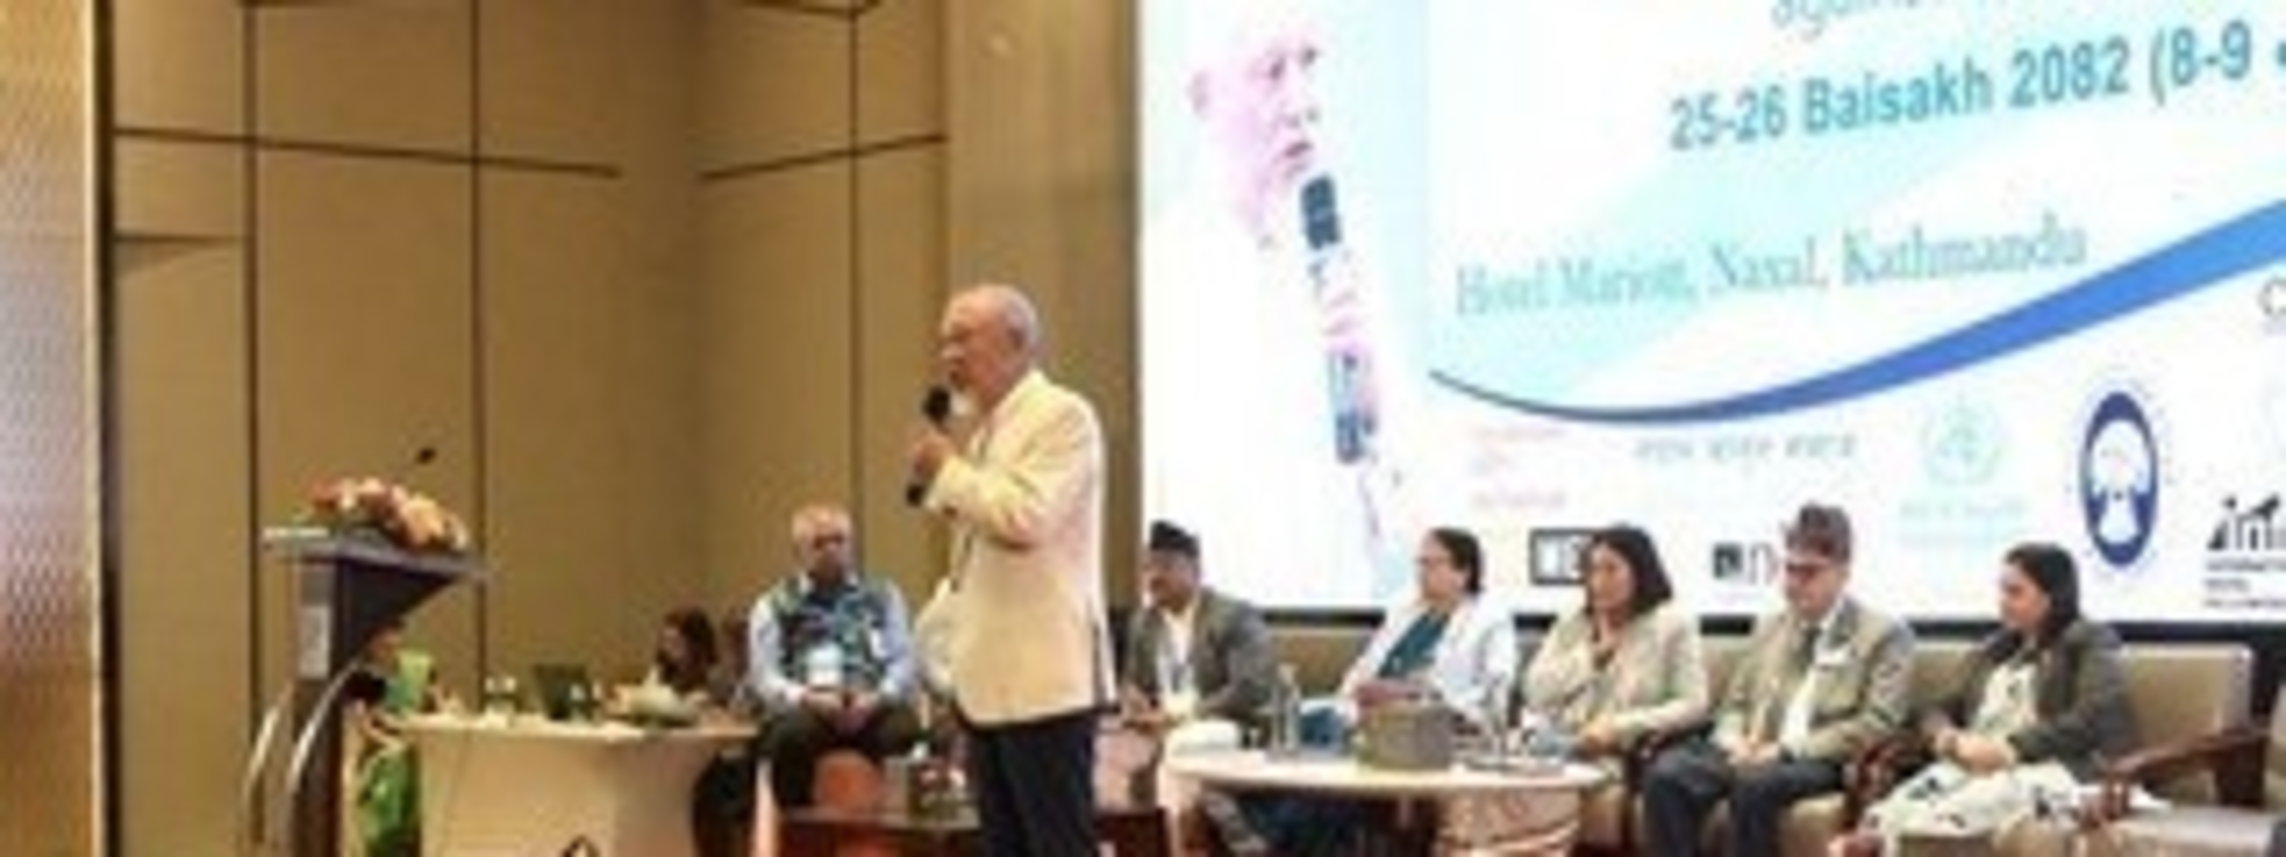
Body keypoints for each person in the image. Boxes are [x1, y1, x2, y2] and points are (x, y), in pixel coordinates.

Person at [1142, 0, 1449, 607]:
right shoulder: (1163, 275)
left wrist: (1374, 411)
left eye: (1309, 64)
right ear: (1203, 97)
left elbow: (1420, 529)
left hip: (1338, 627)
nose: (1303, 102)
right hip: (1211, 637)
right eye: (1271, 72)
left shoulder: (1342, 258)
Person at [908, 283, 1111, 856]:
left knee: (1058, 845)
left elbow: (1027, 517)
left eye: (963, 339)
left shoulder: (1062, 415)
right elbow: (984, 526)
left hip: (1042, 681)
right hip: (987, 683)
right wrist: (948, 477)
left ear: (1018, 342)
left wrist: (948, 471)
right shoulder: (988, 429)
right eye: (944, 342)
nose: (949, 356)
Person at [1641, 502, 1916, 857]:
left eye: (1809, 572)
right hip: (1752, 749)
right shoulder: (1770, 626)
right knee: (1666, 776)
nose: (1793, 584)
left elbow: (1878, 723)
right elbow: (1735, 704)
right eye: (1789, 570)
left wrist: (1784, 751)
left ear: (1842, 573)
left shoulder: (1884, 635)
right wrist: (1734, 741)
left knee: (1756, 786)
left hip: (1818, 758)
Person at [1226, 526, 1518, 854]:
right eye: (1420, 563)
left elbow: (1496, 689)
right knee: (1293, 727)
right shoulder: (1406, 612)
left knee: (1332, 754)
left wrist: (1418, 696)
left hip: (1423, 731)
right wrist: (1356, 693)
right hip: (1365, 718)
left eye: (1432, 564)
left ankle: (1263, 833)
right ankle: (1262, 826)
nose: (1422, 572)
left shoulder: (1490, 620)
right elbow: (1365, 666)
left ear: (1463, 572)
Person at [1836, 542, 2138, 855]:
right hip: (1973, 762)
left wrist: (2010, 749)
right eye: (2001, 590)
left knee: (1951, 814)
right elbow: (1936, 709)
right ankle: (1870, 843)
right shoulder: (1995, 650)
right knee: (1894, 811)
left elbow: (2095, 716)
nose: (2002, 602)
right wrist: (1946, 735)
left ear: (2051, 598)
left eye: (2014, 592)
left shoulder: (2090, 641)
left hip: (2049, 766)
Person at [744, 502, 922, 809]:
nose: (831, 550)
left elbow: (904, 662)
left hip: (870, 705)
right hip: (808, 708)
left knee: (904, 731)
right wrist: (808, 698)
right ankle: (798, 829)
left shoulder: (884, 596)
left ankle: (889, 827)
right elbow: (764, 676)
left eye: (839, 540)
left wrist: (878, 698)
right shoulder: (772, 604)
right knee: (788, 739)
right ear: (798, 552)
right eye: (819, 543)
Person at [1115, 520, 1276, 839]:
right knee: (1115, 750)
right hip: (1163, 726)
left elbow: (1252, 688)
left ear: (1196, 570)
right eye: (1147, 567)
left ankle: (1196, 839)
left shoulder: (1234, 616)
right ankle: (1144, 840)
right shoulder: (1143, 623)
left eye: (1165, 566)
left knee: (1181, 744)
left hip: (1231, 725)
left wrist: (1185, 716)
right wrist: (1132, 700)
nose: (1154, 577)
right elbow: (1134, 683)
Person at [1524, 523, 1709, 762]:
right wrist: (1591, 657)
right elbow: (1535, 690)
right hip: (1561, 747)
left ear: (1641, 572)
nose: (1598, 582)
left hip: (1633, 753)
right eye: (1591, 570)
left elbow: (1693, 704)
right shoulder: (1573, 621)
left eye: (1611, 570)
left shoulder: (1673, 625)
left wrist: (1620, 726)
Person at [343, 619, 435, 857]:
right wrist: (392, 743)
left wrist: (409, 730)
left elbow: (385, 716)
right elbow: (364, 723)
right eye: (383, 636)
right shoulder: (361, 674)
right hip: (364, 753)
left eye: (395, 634)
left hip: (403, 748)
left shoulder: (416, 669)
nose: (391, 641)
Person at [648, 606, 723, 701]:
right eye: (665, 641)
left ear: (695, 644)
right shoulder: (663, 668)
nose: (666, 648)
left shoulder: (714, 676)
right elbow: (646, 696)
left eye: (675, 643)